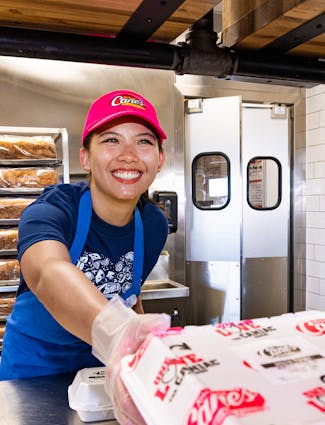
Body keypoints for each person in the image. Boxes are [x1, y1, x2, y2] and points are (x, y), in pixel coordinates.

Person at [0, 89, 171, 424]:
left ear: (160, 160)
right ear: (85, 158)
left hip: (100, 374)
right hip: (31, 374)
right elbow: (48, 271)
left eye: (144, 142)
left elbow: (130, 295)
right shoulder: (52, 209)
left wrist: (138, 352)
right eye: (111, 140)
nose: (128, 155)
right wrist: (118, 333)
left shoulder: (153, 225)